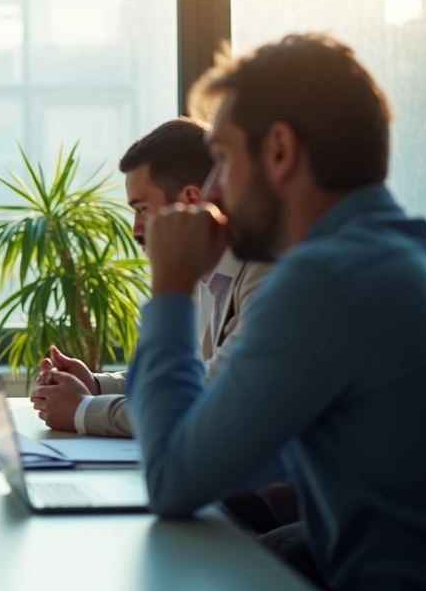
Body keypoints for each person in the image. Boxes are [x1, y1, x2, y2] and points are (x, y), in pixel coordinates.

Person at [129, 33, 426, 591]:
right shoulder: (397, 253)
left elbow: (172, 480)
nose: (212, 191)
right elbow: (226, 453)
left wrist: (170, 287)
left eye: (221, 159)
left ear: (281, 151)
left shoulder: (325, 281)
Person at [31, 118, 270, 437]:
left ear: (191, 201)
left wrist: (82, 410)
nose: (135, 229)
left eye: (142, 208)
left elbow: (198, 406)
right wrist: (96, 384)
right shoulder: (204, 272)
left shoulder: (263, 276)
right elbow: (185, 376)